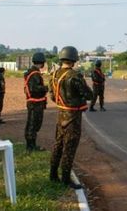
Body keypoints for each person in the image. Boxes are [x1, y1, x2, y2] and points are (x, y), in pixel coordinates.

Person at [49, 46, 93, 189]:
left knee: (58, 145)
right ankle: (66, 178)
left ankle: (53, 174)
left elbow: (52, 96)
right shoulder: (74, 76)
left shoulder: (54, 75)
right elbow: (89, 95)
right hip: (73, 117)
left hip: (60, 115)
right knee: (69, 147)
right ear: (73, 60)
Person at [24, 52, 49, 151]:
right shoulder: (34, 74)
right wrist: (45, 88)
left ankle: (32, 145)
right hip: (35, 103)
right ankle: (31, 146)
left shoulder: (32, 72)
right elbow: (34, 88)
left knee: (34, 124)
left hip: (35, 102)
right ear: (41, 62)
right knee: (33, 124)